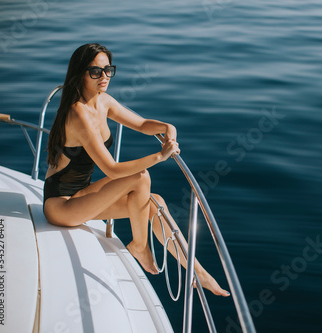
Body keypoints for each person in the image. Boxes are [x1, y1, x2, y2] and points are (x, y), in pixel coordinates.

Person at [43, 43, 229, 297]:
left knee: (156, 203)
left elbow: (141, 124)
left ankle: (197, 271)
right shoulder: (78, 113)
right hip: (60, 207)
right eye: (96, 72)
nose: (104, 77)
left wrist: (167, 127)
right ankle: (139, 246)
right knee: (141, 177)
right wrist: (159, 156)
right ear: (80, 73)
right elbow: (111, 168)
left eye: (108, 70)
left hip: (81, 196)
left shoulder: (103, 101)